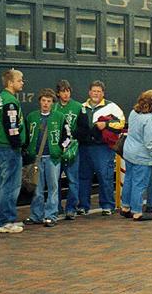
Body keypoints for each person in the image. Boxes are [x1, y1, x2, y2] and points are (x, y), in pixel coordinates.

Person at [75, 80, 125, 216]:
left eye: (98, 91)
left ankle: (107, 205)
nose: (95, 93)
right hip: (84, 147)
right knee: (83, 177)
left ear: (103, 93)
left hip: (102, 147)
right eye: (93, 91)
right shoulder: (82, 107)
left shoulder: (112, 106)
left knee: (105, 176)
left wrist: (107, 124)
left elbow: (121, 122)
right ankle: (83, 206)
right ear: (89, 92)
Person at [24, 88, 72, 227]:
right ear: (39, 102)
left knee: (53, 187)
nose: (46, 103)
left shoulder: (59, 117)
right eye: (43, 101)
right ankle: (36, 215)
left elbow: (67, 135)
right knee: (37, 188)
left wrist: (60, 148)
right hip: (37, 158)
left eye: (49, 101)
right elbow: (27, 135)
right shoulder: (31, 117)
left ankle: (51, 215)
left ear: (52, 103)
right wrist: (28, 149)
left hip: (53, 158)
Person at [0, 69, 26, 234]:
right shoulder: (10, 102)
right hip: (8, 148)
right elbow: (12, 127)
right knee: (10, 185)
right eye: (20, 80)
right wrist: (18, 145)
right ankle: (6, 221)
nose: (22, 82)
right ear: (11, 82)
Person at [120, 90, 152, 222]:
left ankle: (125, 207)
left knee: (129, 180)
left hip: (129, 152)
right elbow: (150, 142)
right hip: (142, 156)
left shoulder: (134, 113)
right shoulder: (149, 119)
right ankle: (137, 211)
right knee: (139, 184)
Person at [53, 79, 82, 220]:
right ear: (58, 93)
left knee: (73, 180)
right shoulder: (54, 108)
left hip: (72, 149)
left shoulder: (77, 106)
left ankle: (71, 208)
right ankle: (57, 207)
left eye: (68, 91)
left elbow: (83, 127)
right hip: (57, 149)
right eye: (63, 91)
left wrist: (75, 137)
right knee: (55, 180)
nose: (66, 94)